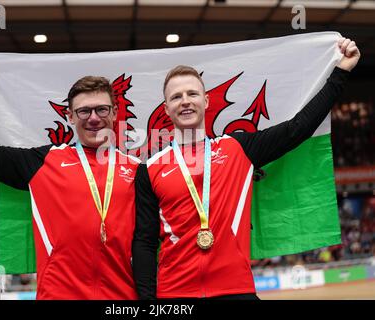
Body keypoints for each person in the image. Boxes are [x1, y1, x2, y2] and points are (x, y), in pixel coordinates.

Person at [132, 37, 360, 299]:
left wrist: (341, 71)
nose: (185, 101)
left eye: (192, 94)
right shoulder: (149, 169)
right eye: (176, 97)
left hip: (235, 289)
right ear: (166, 109)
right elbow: (145, 242)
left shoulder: (237, 148)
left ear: (206, 101)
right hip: (175, 294)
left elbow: (297, 129)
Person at [0, 62, 140, 299]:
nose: (93, 118)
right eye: (84, 111)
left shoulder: (138, 171)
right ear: (70, 117)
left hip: (122, 299)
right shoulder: (44, 162)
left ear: (115, 112)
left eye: (102, 110)